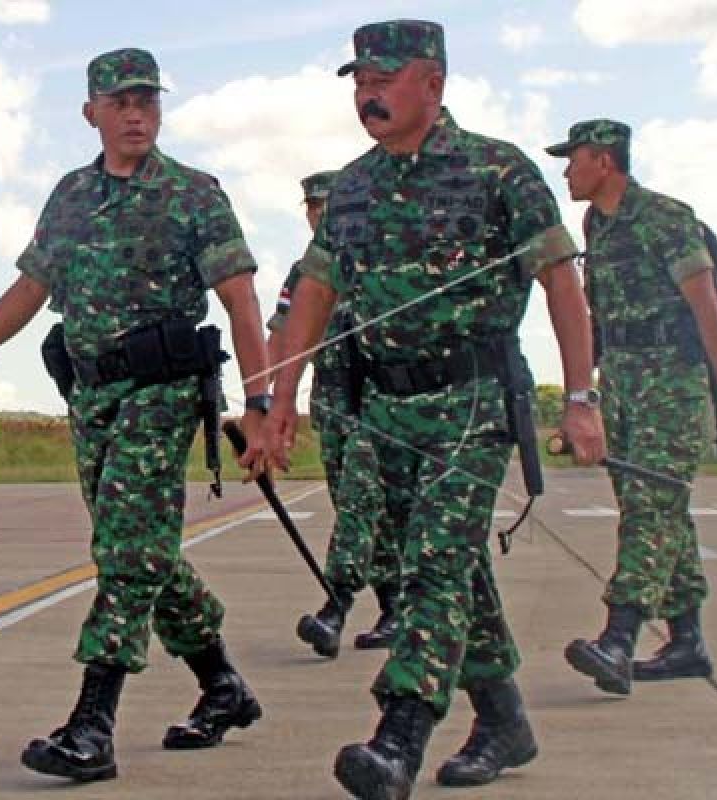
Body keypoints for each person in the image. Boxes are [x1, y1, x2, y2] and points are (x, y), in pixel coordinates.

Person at [255, 20, 606, 799]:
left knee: (436, 566)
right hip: (388, 407)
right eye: (359, 82)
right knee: (459, 569)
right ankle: (505, 720)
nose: (367, 95)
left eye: (383, 80)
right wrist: (283, 402)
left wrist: (582, 398)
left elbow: (560, 284)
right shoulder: (352, 185)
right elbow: (316, 290)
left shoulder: (499, 171)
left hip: (472, 400)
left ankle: (399, 736)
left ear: (434, 84)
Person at [0, 48, 270, 782]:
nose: (136, 113)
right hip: (91, 397)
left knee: (125, 552)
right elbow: (33, 282)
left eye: (147, 99)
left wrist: (263, 398)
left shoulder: (193, 193)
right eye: (120, 101)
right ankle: (222, 684)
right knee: (143, 548)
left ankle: (92, 724)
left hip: (162, 392)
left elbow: (240, 299)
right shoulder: (72, 195)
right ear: (91, 112)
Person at [544, 119, 717, 696]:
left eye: (574, 159)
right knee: (659, 509)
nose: (567, 170)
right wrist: (580, 395)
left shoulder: (666, 218)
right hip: (624, 380)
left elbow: (707, 308)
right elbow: (597, 315)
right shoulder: (597, 224)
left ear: (605, 161)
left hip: (673, 380)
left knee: (649, 508)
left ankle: (618, 637)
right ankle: (686, 639)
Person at [267, 171, 402, 658]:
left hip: (378, 401)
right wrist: (267, 402)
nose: (320, 215)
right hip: (330, 400)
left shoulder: (378, 258)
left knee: (361, 500)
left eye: (327, 206)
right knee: (357, 504)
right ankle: (395, 607)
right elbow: (283, 337)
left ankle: (336, 605)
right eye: (312, 208)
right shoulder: (303, 274)